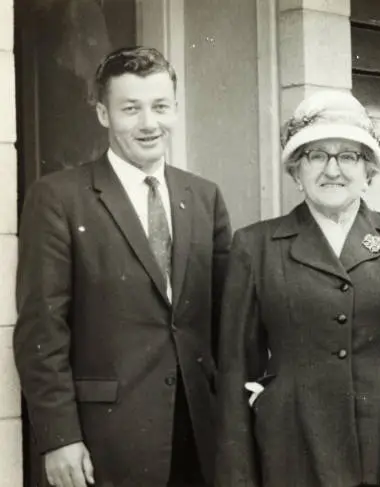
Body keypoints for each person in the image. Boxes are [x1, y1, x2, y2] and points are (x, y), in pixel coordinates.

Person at [214, 90, 380, 487]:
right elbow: (234, 371)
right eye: (316, 156)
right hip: (291, 454)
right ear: (296, 171)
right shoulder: (255, 246)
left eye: (348, 156)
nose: (332, 170)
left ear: (369, 171)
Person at [14, 46, 232, 487]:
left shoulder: (204, 196)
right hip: (105, 442)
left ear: (175, 109)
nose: (149, 123)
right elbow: (42, 329)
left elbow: (226, 318)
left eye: (160, 107)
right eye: (130, 109)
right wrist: (59, 438)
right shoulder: (59, 198)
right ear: (102, 114)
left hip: (198, 435)